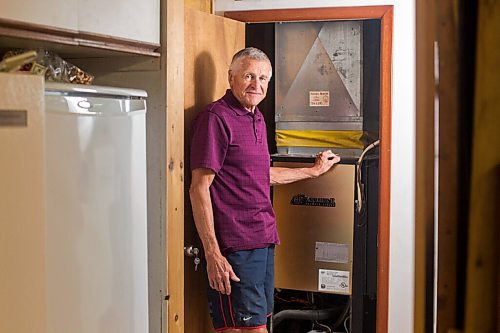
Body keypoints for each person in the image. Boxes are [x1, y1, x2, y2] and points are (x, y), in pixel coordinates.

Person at [189, 47, 340, 333]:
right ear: (231, 77)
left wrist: (313, 171)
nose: (256, 84)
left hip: (262, 239)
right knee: (243, 328)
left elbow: (258, 174)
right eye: (248, 76)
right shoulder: (216, 118)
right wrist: (213, 253)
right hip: (234, 245)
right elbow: (199, 189)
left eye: (262, 78)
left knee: (260, 325)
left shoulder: (255, 117)